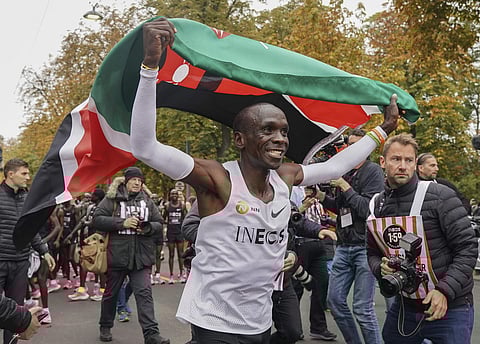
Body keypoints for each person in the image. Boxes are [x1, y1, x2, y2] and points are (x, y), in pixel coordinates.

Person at [130, 17, 399, 343]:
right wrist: (149, 67)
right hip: (214, 321)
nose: (280, 139)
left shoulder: (285, 178)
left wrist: (382, 130)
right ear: (241, 139)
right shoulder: (217, 179)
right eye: (268, 130)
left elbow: (334, 168)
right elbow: (145, 147)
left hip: (258, 322)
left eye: (284, 131)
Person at [367, 133, 477, 344]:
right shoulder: (378, 204)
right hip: (405, 307)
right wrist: (380, 268)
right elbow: (371, 252)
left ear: (415, 164)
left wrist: (444, 291)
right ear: (383, 162)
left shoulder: (440, 196)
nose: (402, 166)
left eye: (409, 160)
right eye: (396, 159)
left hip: (450, 307)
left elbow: (467, 248)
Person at [315, 129, 384, 344]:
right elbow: (340, 207)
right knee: (334, 301)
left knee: (362, 308)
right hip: (343, 245)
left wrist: (346, 187)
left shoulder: (373, 172)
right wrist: (320, 197)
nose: (351, 149)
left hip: (365, 247)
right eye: (349, 144)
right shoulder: (345, 171)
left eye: (357, 145)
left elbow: (368, 210)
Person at [92, 167, 169, 344]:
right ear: (126, 181)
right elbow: (97, 219)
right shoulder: (112, 199)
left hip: (141, 258)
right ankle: (105, 326)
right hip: (117, 256)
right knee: (111, 294)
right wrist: (122, 223)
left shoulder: (147, 201)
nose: (137, 183)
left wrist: (148, 226)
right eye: (134, 180)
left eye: (140, 181)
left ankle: (152, 335)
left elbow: (159, 223)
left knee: (144, 294)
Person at [0, 159, 56, 344]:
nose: (28, 177)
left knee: (16, 312)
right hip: (0, 261)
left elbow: (31, 229)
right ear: (10, 174)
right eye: (24, 173)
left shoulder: (27, 198)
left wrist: (44, 251)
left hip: (21, 262)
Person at [294, 185, 337, 341]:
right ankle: (293, 327)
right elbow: (286, 217)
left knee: (322, 284)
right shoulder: (290, 188)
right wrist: (303, 206)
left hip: (319, 242)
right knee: (296, 288)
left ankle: (318, 328)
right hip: (299, 244)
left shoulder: (317, 190)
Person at [164, 189, 187, 284]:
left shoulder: (182, 206)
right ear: (170, 195)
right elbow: (163, 218)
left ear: (178, 195)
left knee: (181, 254)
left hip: (179, 232)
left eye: (175, 194)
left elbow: (185, 218)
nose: (174, 195)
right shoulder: (167, 206)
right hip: (170, 233)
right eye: (172, 193)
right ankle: (171, 275)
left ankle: (182, 274)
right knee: (171, 254)